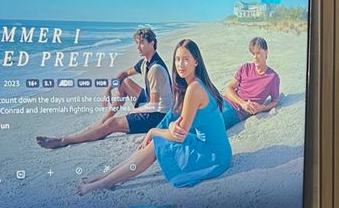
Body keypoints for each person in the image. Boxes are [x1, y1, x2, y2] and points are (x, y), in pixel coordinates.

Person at [77, 39, 232, 195]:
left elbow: (178, 135)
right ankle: (105, 177)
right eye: (177, 59)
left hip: (214, 156)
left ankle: (105, 182)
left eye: (186, 59)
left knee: (158, 141)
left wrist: (153, 132)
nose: (180, 64)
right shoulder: (193, 85)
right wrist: (163, 129)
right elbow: (172, 118)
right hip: (217, 150)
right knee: (156, 139)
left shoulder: (194, 88)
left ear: (196, 62)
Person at [36, 26, 173, 149]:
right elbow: (124, 74)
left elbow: (154, 106)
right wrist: (108, 89)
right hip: (151, 105)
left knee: (113, 124)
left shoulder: (155, 69)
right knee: (124, 82)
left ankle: (63, 140)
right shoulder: (145, 63)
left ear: (152, 43)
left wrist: (133, 111)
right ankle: (102, 122)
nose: (138, 47)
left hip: (158, 116)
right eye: (137, 43)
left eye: (142, 43)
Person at [221, 36, 281, 130]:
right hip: (223, 101)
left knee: (205, 126)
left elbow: (275, 101)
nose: (255, 57)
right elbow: (228, 88)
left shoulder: (273, 77)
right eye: (253, 54)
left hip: (235, 112)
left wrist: (262, 108)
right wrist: (242, 103)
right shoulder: (246, 68)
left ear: (266, 53)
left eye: (258, 53)